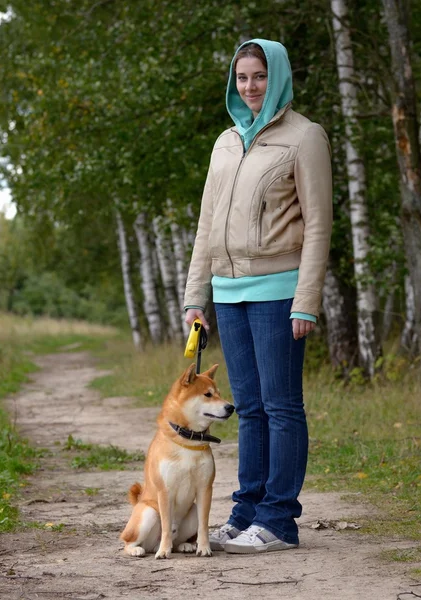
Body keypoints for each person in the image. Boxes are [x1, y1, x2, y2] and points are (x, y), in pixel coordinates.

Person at [184, 39, 332, 554]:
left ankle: (278, 522)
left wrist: (306, 299)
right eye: (243, 77)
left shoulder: (304, 136)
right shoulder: (225, 142)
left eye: (260, 77)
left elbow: (318, 225)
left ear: (279, 77)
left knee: (281, 406)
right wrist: (194, 296)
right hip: (226, 293)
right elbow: (206, 224)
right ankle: (246, 511)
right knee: (247, 408)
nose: (250, 87)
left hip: (278, 291)